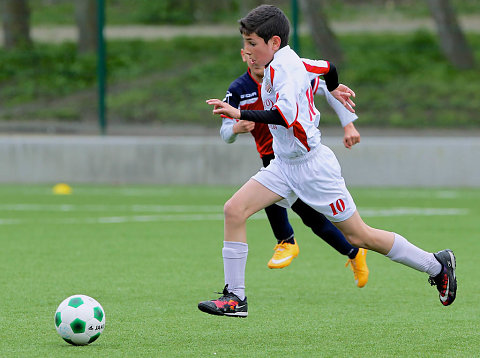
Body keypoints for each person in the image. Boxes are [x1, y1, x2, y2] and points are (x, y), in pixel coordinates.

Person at [199, 5, 456, 317]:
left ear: (275, 43)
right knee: (234, 210)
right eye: (246, 43)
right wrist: (334, 87)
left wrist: (239, 113)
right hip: (283, 164)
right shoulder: (290, 60)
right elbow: (327, 67)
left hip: (313, 168)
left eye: (253, 44)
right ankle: (235, 298)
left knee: (359, 236)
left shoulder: (286, 73)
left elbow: (283, 116)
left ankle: (436, 264)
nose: (248, 52)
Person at [220, 47, 368, 289]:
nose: (254, 59)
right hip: (273, 159)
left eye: (256, 50)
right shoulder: (238, 89)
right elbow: (225, 132)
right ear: (243, 55)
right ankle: (305, 244)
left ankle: (308, 244)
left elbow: (331, 90)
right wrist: (235, 129)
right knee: (307, 217)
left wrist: (349, 125)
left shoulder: (289, 73)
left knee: (314, 219)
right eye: (248, 53)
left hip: (297, 159)